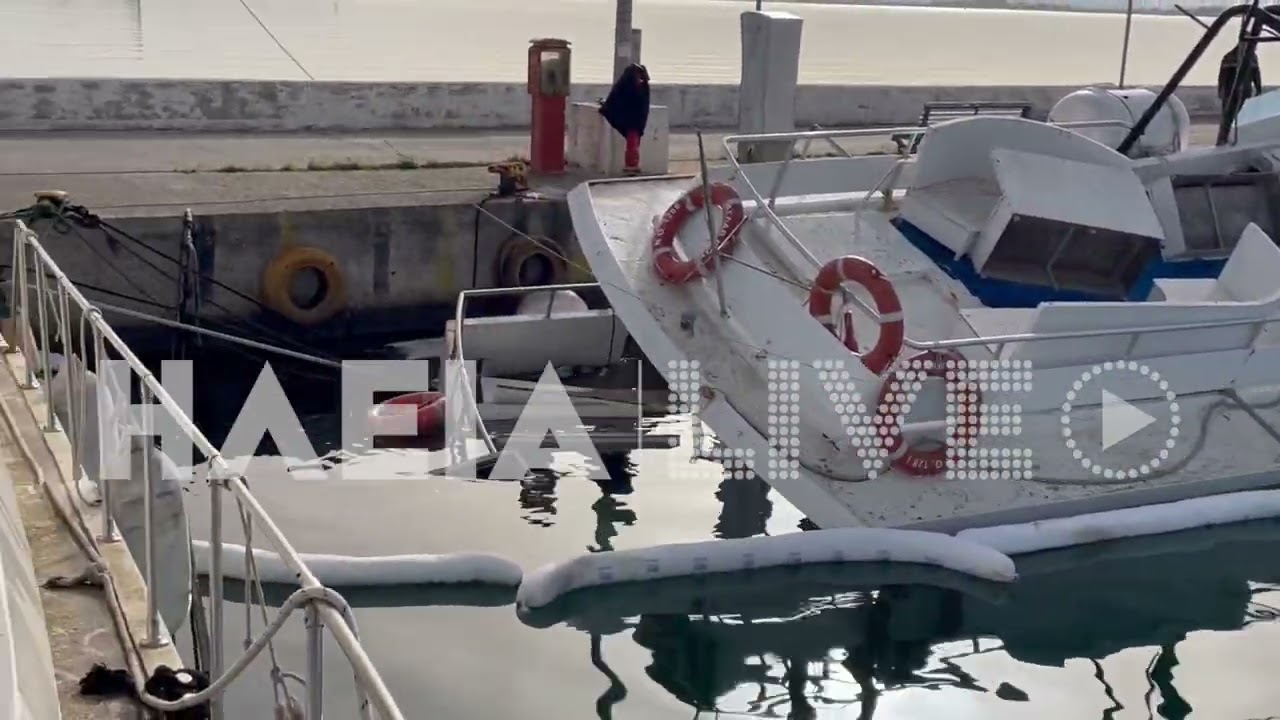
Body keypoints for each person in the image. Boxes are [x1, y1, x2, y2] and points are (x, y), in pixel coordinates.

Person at [599, 63, 651, 176]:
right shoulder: (629, 86)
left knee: (634, 143)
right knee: (633, 143)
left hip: (636, 120)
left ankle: (632, 166)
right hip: (632, 121)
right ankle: (631, 166)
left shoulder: (638, 86)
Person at [1218, 44, 1263, 113]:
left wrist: (1258, 89)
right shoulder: (1229, 57)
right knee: (1231, 113)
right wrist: (1258, 89)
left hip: (1242, 92)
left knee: (1241, 113)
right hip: (1231, 92)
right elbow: (1222, 76)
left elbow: (1256, 75)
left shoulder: (1252, 58)